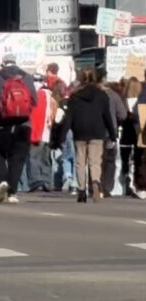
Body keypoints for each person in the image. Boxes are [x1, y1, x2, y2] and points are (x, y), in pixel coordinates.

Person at [0, 54, 36, 204]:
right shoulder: (27, 78)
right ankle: (13, 193)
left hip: (0, 124)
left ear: (3, 64)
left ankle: (2, 180)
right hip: (23, 125)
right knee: (17, 159)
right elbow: (34, 100)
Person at [56, 67, 117, 202]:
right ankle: (95, 182)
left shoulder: (75, 96)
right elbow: (107, 116)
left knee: (80, 162)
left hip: (80, 131)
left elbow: (69, 118)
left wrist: (62, 137)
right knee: (95, 162)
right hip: (97, 131)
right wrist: (113, 135)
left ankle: (82, 190)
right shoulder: (102, 95)